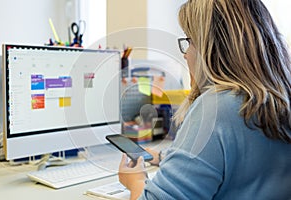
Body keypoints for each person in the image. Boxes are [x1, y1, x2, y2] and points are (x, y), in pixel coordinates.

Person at [118, 0, 291, 199]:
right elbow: (244, 163)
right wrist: (166, 158)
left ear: (211, 48)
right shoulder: (277, 100)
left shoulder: (217, 108)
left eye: (189, 42)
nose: (185, 55)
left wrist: (136, 180)